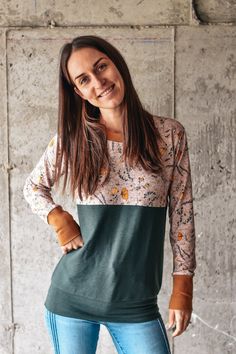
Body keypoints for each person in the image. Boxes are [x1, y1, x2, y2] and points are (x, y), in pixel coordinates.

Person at [23, 35, 196, 354]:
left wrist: (182, 288)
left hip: (136, 304)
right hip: (71, 299)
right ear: (78, 92)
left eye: (101, 66)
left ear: (117, 64)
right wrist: (58, 217)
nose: (98, 81)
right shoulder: (72, 140)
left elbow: (182, 215)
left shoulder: (169, 135)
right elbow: (33, 187)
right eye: (84, 79)